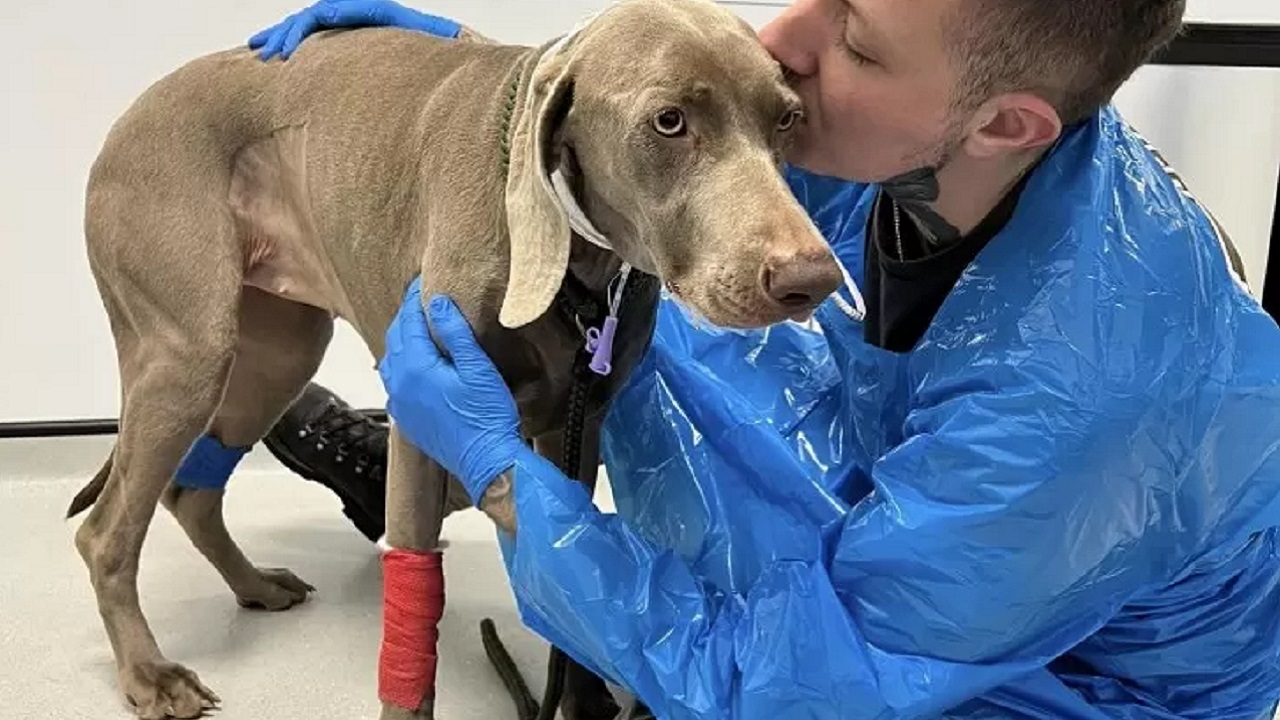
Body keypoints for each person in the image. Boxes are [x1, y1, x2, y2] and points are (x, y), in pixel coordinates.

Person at [255, 0, 1280, 717]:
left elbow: (783, 693)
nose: (781, 41)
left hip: (1064, 683)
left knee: (741, 657)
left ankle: (469, 477)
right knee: (675, 273)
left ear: (1004, 122)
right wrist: (498, 78)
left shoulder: (1069, 411)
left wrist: (496, 468)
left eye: (858, 46)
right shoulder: (951, 144)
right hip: (951, 515)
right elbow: (683, 144)